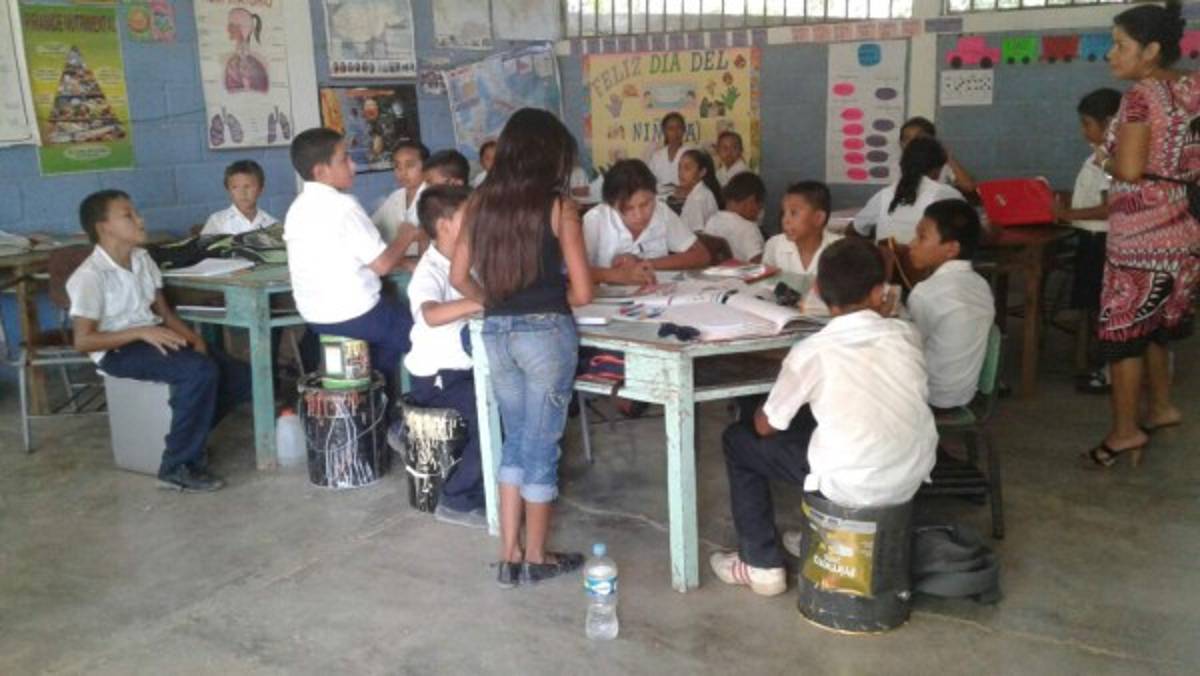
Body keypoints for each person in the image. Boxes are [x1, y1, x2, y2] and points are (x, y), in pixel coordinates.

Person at [710, 238, 936, 596]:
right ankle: (824, 537)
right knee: (831, 419)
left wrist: (761, 406)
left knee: (738, 441)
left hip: (850, 482)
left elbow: (766, 427)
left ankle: (760, 565)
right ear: (881, 292)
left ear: (816, 290)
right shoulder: (907, 335)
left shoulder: (813, 351)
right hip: (910, 475)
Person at [449, 108, 594, 588]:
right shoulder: (559, 207)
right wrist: (547, 298)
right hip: (546, 336)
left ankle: (509, 554)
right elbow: (583, 293)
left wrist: (496, 300)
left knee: (515, 439)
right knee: (542, 445)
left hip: (496, 333)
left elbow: (458, 277)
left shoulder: (479, 203)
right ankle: (536, 556)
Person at [68, 190, 251, 492]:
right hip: (116, 349)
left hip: (153, 336)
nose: (140, 220)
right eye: (128, 215)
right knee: (198, 371)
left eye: (136, 213)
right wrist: (140, 332)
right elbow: (84, 341)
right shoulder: (90, 276)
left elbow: (163, 313)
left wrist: (193, 338)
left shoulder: (142, 259)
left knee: (240, 376)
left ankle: (185, 439)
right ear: (104, 227)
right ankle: (177, 466)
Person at [1087, 0, 1200, 468]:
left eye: (1120, 45)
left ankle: (1124, 432)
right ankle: (1162, 407)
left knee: (1125, 334)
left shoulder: (1139, 97)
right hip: (1184, 228)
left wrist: (1103, 156)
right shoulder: (1194, 87)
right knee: (1156, 327)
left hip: (1140, 237)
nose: (1110, 54)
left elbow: (1131, 169)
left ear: (1151, 50)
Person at [285, 128, 414, 399]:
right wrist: (406, 235)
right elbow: (382, 266)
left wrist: (400, 260)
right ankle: (426, 407)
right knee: (424, 334)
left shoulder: (297, 208)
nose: (353, 166)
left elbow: (345, 256)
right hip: (357, 314)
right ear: (321, 171)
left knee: (386, 349)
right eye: (344, 159)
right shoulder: (343, 206)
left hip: (315, 317)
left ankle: (375, 403)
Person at [404, 184, 486, 528]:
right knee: (492, 414)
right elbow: (430, 314)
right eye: (470, 216)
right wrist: (479, 301)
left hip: (467, 368)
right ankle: (457, 499)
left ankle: (487, 488)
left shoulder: (470, 261)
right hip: (439, 378)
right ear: (445, 226)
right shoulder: (430, 270)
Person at [1058, 88, 1123, 395]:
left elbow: (1110, 206)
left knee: (1106, 309)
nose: (1083, 130)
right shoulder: (1098, 155)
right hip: (1091, 238)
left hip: (1103, 241)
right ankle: (1106, 366)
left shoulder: (1114, 159)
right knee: (1097, 307)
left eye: (1087, 123)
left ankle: (1111, 372)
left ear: (1109, 123)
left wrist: (1067, 213)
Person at [906, 200, 995, 410]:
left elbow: (909, 349)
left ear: (951, 249)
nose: (911, 244)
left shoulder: (926, 293)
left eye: (921, 237)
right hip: (964, 394)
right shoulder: (980, 284)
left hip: (932, 397)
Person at [583, 158, 711, 286]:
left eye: (645, 204)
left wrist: (645, 263)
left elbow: (701, 255)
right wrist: (619, 275)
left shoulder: (661, 212)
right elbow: (573, 273)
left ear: (655, 195)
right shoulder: (595, 219)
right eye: (628, 208)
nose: (639, 215)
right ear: (612, 205)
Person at [852, 136, 965, 243]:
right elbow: (969, 230)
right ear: (937, 169)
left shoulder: (884, 194)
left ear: (903, 165)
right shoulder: (945, 194)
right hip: (927, 257)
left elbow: (856, 229)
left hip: (888, 256)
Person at [762, 180, 841, 277]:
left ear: (818, 218)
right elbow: (765, 283)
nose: (785, 220)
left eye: (793, 213)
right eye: (784, 213)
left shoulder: (840, 250)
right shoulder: (774, 245)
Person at [899, 116, 977, 196]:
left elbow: (969, 187)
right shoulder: (894, 165)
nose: (912, 143)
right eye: (907, 138)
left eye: (918, 138)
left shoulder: (940, 163)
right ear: (901, 143)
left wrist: (948, 156)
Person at [371, 140, 429, 245]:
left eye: (410, 165)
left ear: (426, 167)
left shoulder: (433, 198)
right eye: (397, 166)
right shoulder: (396, 197)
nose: (403, 172)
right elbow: (372, 225)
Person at [702, 171, 766, 262]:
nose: (760, 212)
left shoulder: (712, 220)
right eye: (760, 206)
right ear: (750, 201)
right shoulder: (749, 229)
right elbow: (759, 265)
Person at [201, 160, 277, 236]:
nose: (242, 193)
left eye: (247, 187)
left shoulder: (272, 224)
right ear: (228, 190)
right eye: (235, 187)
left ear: (260, 190)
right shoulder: (217, 222)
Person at [674, 149, 724, 232]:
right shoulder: (702, 191)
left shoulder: (697, 199)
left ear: (702, 172)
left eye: (687, 168)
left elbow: (698, 234)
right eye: (679, 167)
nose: (681, 173)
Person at [647, 112, 693, 196]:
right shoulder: (656, 156)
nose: (675, 132)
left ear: (684, 130)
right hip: (660, 200)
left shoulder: (691, 154)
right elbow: (650, 183)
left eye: (679, 128)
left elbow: (695, 182)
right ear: (664, 131)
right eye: (671, 129)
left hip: (685, 199)